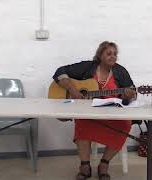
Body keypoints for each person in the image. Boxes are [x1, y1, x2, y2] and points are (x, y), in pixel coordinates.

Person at [53, 41, 136, 180]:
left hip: (111, 113)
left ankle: (104, 164)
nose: (113, 56)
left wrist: (128, 96)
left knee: (126, 124)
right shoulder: (88, 67)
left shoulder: (120, 71)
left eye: (115, 54)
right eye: (109, 53)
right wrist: (73, 90)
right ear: (100, 55)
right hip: (89, 112)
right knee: (82, 121)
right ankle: (85, 166)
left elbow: (132, 93)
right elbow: (59, 72)